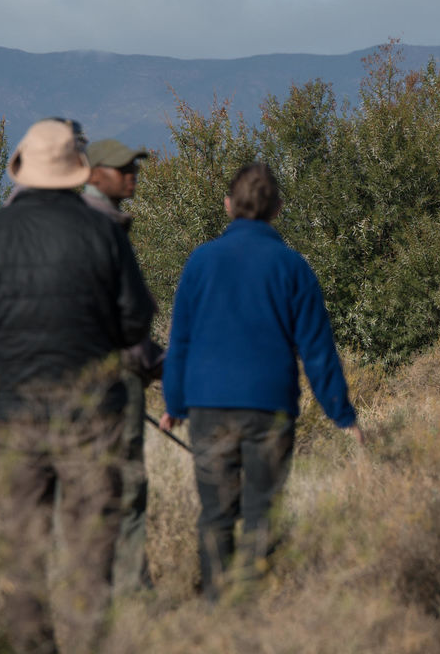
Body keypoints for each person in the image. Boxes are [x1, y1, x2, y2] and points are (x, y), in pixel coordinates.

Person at [0, 118, 155, 654]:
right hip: (90, 411)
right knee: (90, 542)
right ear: (77, 170)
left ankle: (32, 646)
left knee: (23, 542)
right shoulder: (103, 231)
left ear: (24, 169)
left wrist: (6, 349)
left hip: (14, 409)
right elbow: (135, 323)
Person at [159, 162, 363, 600]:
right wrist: (341, 414)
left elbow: (181, 342)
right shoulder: (292, 267)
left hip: (208, 407)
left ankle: (217, 610)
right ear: (278, 209)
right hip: (269, 407)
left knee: (215, 513)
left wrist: (174, 405)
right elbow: (317, 350)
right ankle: (249, 611)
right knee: (261, 513)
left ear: (228, 205)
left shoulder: (200, 261)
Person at [83, 138, 165, 599]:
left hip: (71, 382)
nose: (132, 172)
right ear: (94, 174)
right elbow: (128, 322)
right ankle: (134, 597)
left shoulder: (85, 223)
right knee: (126, 488)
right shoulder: (103, 229)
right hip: (111, 384)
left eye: (134, 164)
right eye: (121, 167)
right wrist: (160, 366)